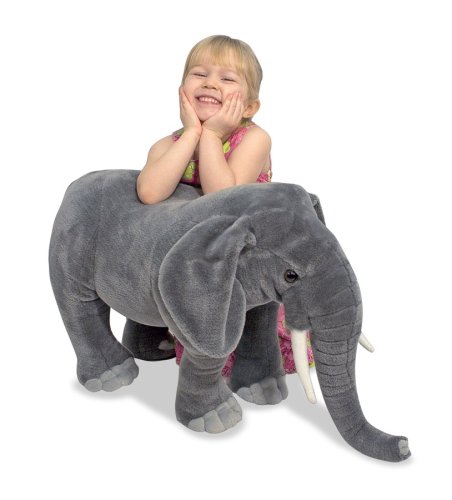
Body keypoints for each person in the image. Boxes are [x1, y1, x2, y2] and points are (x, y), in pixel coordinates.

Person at [137, 34, 313, 376]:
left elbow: (225, 201)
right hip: (196, 259)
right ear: (182, 90)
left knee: (254, 332)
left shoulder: (254, 139)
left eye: (227, 78)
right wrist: (192, 134)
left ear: (248, 107)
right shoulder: (167, 145)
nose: (210, 83)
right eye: (199, 74)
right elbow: (149, 193)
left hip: (246, 255)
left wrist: (213, 136)